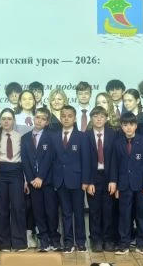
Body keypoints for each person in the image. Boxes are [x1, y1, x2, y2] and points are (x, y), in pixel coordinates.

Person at [112, 112, 143, 255]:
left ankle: (142, 244)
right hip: (124, 185)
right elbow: (114, 166)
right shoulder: (117, 143)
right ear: (121, 127)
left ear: (136, 125)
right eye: (125, 125)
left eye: (131, 124)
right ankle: (124, 244)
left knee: (142, 215)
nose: (128, 128)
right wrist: (116, 185)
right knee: (124, 215)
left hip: (141, 185)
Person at [22, 107, 58, 252]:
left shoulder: (51, 136)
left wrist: (41, 177)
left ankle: (54, 238)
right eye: (37, 117)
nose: (39, 121)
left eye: (43, 119)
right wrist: (31, 179)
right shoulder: (25, 138)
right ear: (33, 118)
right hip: (33, 182)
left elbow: (49, 159)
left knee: (51, 210)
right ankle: (43, 238)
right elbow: (25, 160)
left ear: (47, 122)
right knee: (38, 211)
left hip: (47, 181)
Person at [0, 108, 28, 251]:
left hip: (16, 173)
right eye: (4, 118)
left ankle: (19, 242)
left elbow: (25, 160)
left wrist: (26, 180)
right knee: (1, 208)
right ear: (0, 121)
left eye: (9, 118)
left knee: (18, 207)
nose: (6, 121)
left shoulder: (20, 137)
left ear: (13, 121)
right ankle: (3, 243)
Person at [54, 105, 87, 253]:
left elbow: (86, 160)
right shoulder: (54, 136)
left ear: (74, 119)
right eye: (63, 116)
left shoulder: (82, 136)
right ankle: (68, 242)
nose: (66, 118)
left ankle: (80, 241)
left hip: (77, 180)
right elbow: (52, 160)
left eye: (69, 116)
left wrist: (85, 181)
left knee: (79, 213)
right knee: (66, 213)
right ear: (60, 118)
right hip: (60, 181)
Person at [83, 106, 117, 252]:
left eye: (102, 116)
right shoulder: (86, 136)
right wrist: (89, 181)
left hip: (108, 176)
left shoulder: (113, 134)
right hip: (93, 176)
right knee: (94, 210)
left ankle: (108, 239)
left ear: (106, 118)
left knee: (108, 210)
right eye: (95, 116)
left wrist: (113, 180)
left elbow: (115, 159)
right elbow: (85, 160)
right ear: (91, 118)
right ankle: (96, 240)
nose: (98, 119)